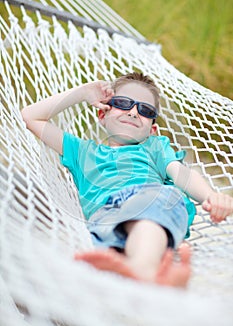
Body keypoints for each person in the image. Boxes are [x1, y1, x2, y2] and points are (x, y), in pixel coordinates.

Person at [21, 72, 233, 287]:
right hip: (105, 221)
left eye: (145, 110)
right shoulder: (82, 153)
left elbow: (180, 172)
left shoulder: (154, 147)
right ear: (102, 115)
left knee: (154, 208)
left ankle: (144, 274)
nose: (133, 112)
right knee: (104, 265)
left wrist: (211, 195)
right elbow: (30, 116)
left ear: (152, 130)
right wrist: (83, 92)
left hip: (152, 203)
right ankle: (154, 280)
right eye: (123, 103)